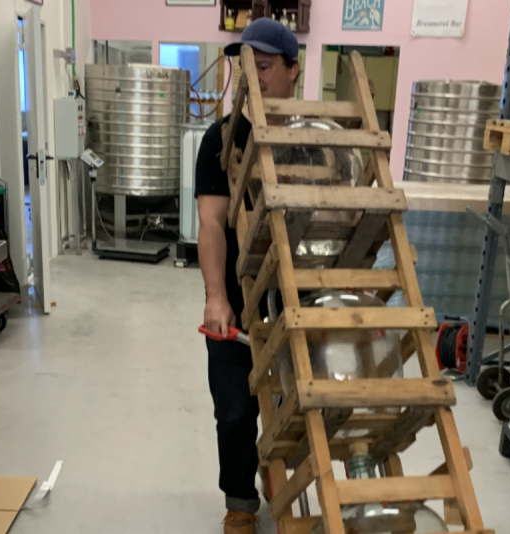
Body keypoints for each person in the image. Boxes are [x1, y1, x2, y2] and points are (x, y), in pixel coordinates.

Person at [195, 18, 300, 534]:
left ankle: (283, 477)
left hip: (294, 299)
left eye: (263, 67)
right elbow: (211, 223)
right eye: (245, 68)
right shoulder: (221, 140)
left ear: (292, 71)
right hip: (237, 299)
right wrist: (216, 297)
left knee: (296, 401)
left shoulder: (308, 140)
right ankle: (240, 502)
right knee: (235, 408)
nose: (251, 77)